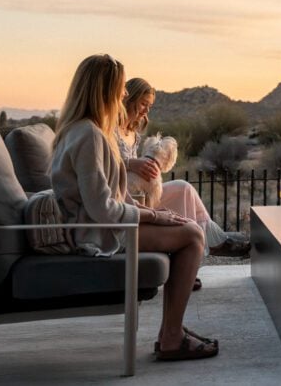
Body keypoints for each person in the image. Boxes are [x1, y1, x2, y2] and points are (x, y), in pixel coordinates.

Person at [50, 54, 218, 361]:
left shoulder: (85, 130)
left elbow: (114, 194)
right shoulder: (89, 135)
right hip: (97, 234)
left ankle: (172, 332)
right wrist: (153, 214)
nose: (125, 95)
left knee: (184, 226)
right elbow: (103, 209)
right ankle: (171, 337)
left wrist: (157, 216)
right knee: (193, 236)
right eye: (120, 90)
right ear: (104, 92)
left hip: (101, 224)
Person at [118, 77, 250, 286]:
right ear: (128, 99)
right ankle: (214, 245)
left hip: (142, 195)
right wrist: (130, 163)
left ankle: (197, 257)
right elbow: (102, 164)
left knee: (183, 188)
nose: (146, 111)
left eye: (149, 106)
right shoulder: (110, 130)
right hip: (124, 199)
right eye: (143, 103)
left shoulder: (133, 133)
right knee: (182, 190)